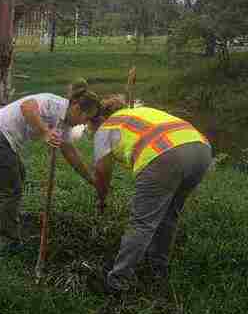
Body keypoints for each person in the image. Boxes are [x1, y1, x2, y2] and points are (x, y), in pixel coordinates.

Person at [89, 98, 212, 294]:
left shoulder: (106, 127)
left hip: (164, 156)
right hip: (201, 149)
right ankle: (158, 268)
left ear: (99, 119)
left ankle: (117, 282)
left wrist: (102, 198)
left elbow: (102, 173)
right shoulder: (141, 112)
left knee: (142, 223)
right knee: (170, 215)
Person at [0, 80, 101, 251]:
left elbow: (70, 152)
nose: (84, 124)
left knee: (19, 176)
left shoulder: (65, 124)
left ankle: (8, 215)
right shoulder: (53, 103)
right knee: (11, 190)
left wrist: (91, 179)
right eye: (86, 118)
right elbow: (27, 107)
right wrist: (45, 132)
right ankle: (8, 241)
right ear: (77, 108)